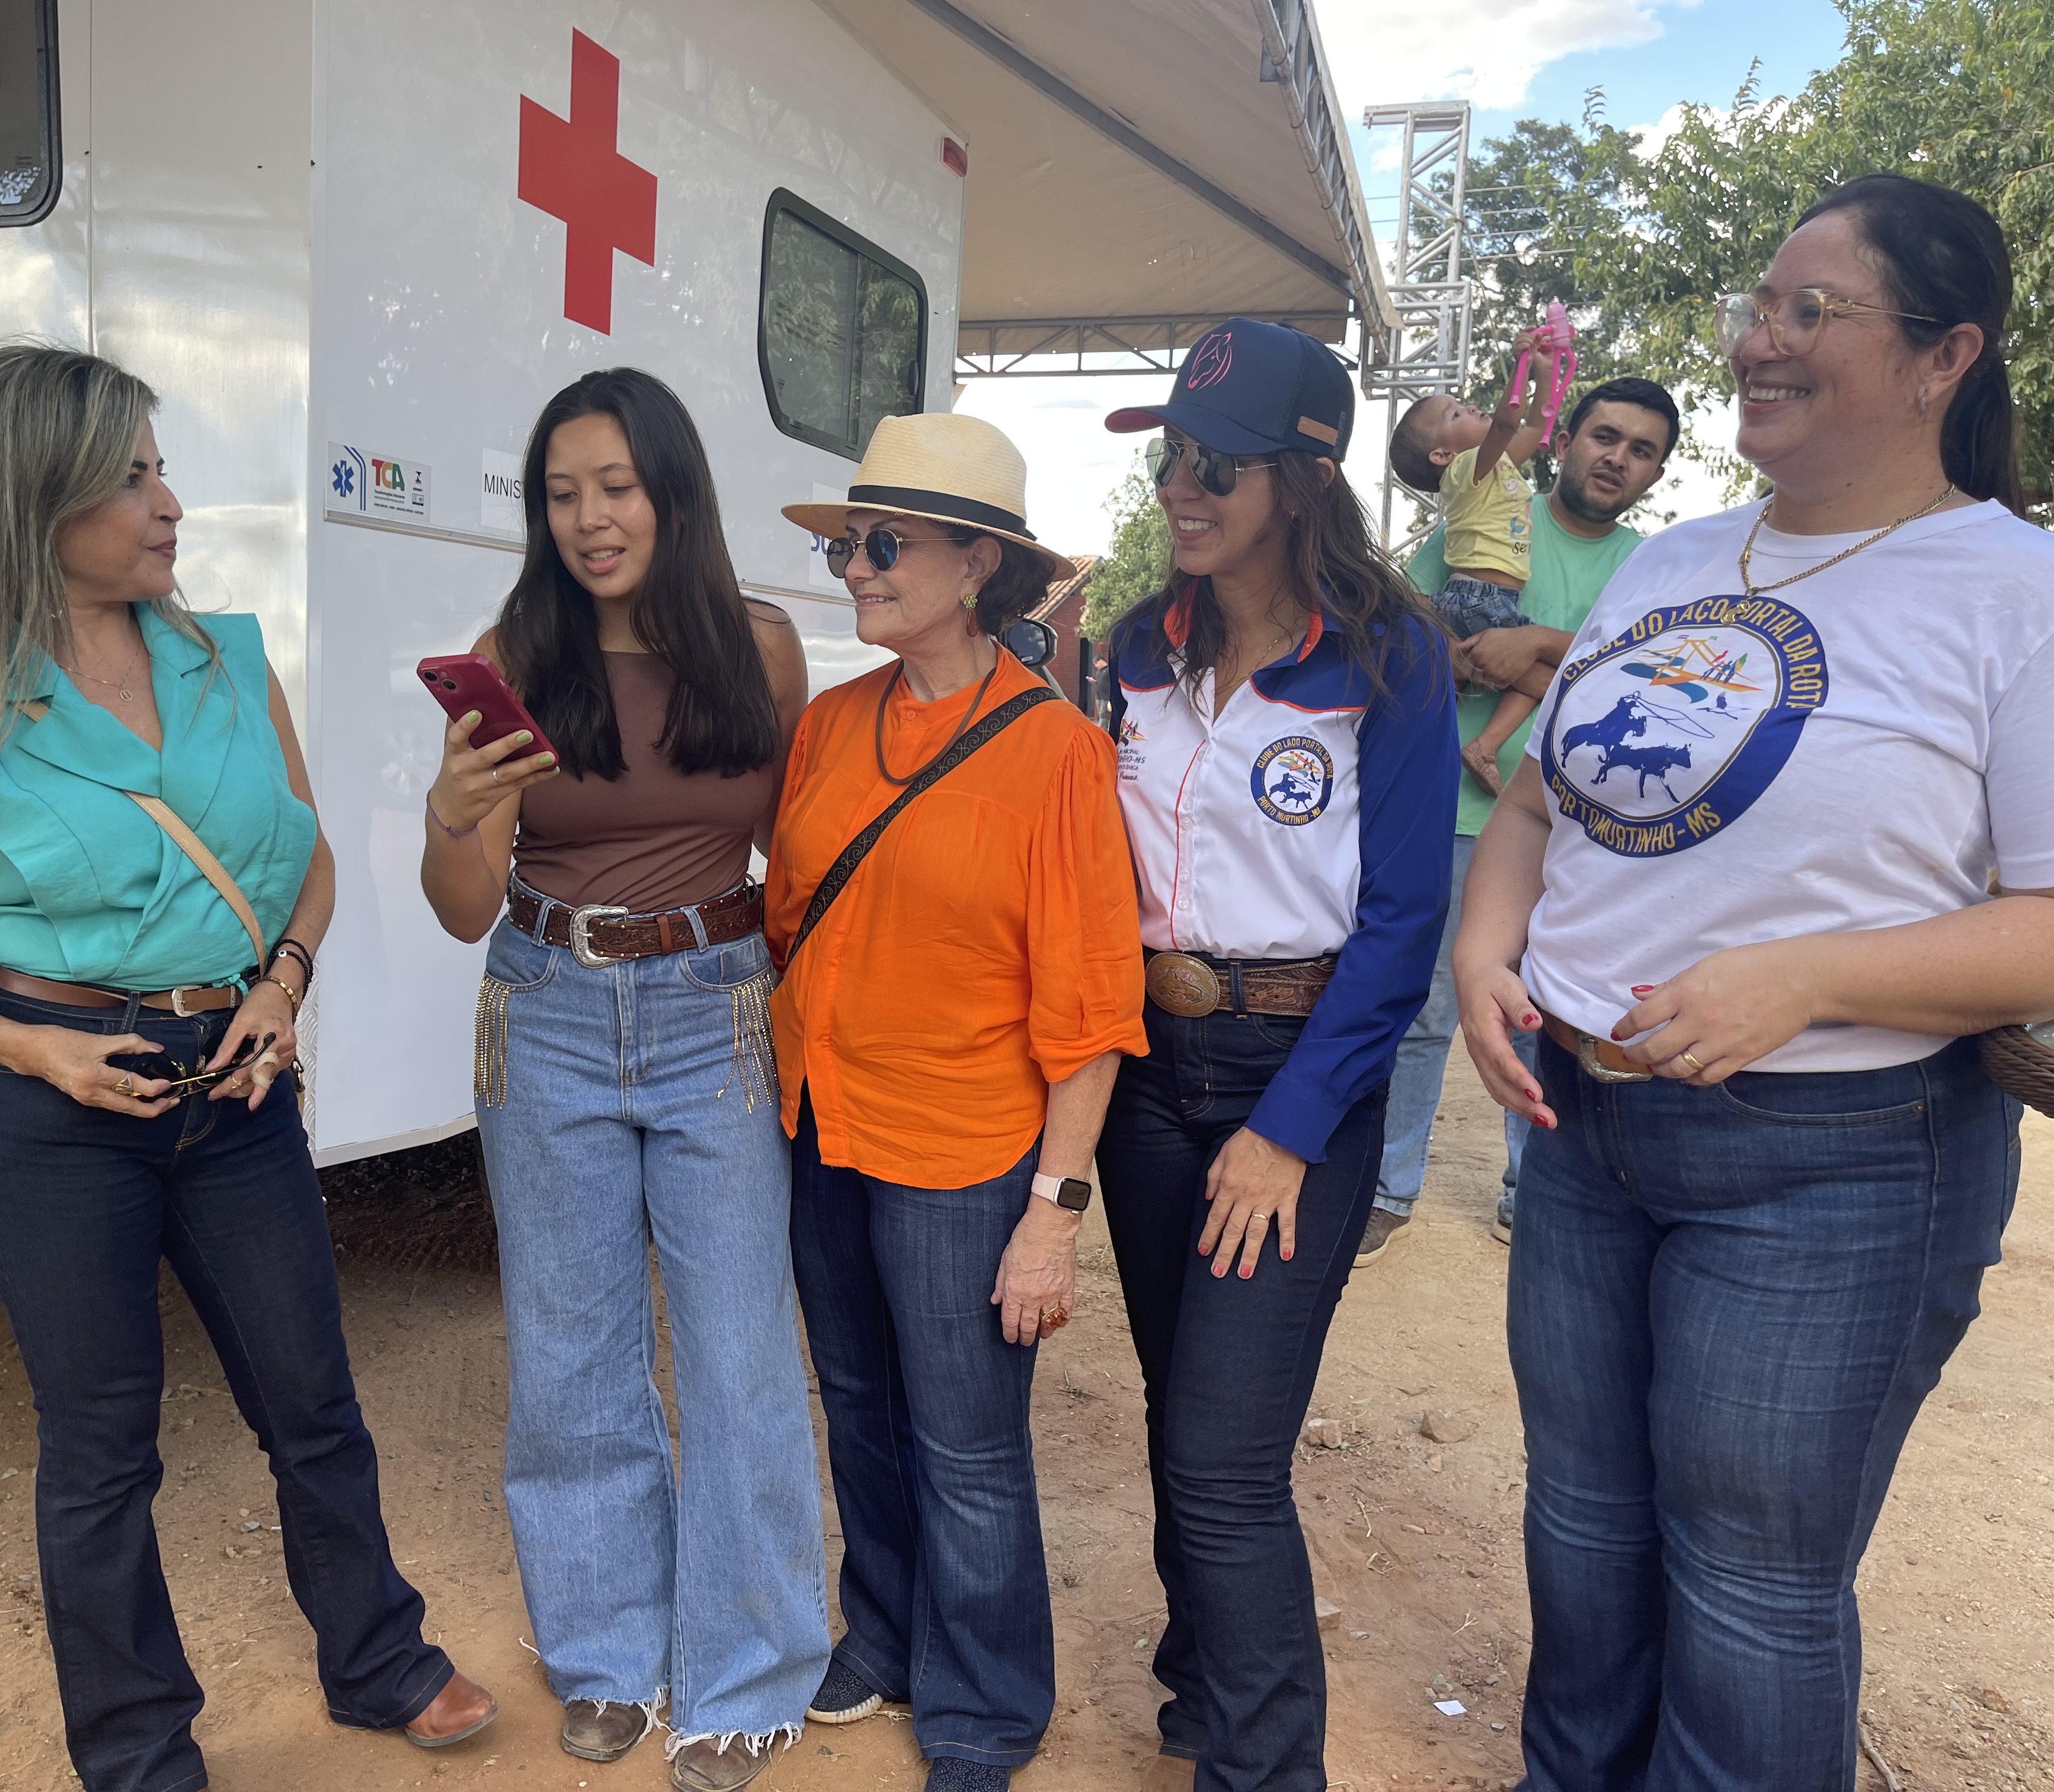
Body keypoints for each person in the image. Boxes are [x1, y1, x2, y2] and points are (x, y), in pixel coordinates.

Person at [0, 345, 494, 1792]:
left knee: (313, 1401)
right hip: (48, 1112)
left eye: (158, 465)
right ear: (28, 499)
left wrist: (287, 985)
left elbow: (301, 859)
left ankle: (379, 1661)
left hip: (233, 1080)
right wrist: (27, 1045)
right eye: (130, 475)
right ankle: (135, 1750)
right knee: (103, 1449)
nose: (167, 501)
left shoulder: (224, 656)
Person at [1454, 173, 2054, 1788]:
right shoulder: (1676, 562)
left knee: (1750, 1589)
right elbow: (1535, 795)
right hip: (1578, 1127)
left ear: (1946, 356)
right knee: (1581, 1527)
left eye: (1810, 312)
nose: (1759, 345)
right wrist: (1482, 944)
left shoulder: (2018, 589)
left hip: (1835, 1166)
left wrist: (1804, 979)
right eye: (1755, 311)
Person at [416, 367, 819, 1792]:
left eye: (615, 488)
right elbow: (460, 902)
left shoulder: (761, 649)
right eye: (561, 493)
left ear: (671, 492)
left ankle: (751, 1668)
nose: (589, 520)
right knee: (572, 1347)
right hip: (549, 1004)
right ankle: (603, 1657)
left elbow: (796, 850)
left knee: (736, 1350)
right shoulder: (511, 649)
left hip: (716, 1005)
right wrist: (452, 814)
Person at [1094, 318, 1458, 1792]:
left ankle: (1263, 1768)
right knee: (1181, 1418)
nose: (1184, 490)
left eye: (1218, 467)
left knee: (1226, 1461)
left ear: (1303, 480)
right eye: (1176, 458)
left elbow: (1403, 926)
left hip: (1293, 1080)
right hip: (1144, 1082)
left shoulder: (1389, 655)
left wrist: (1293, 1127)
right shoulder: (1132, 649)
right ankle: (1199, 1696)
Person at [769, 412, 1146, 1792]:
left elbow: (1095, 1011)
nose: (856, 569)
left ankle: (985, 1707)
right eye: (850, 546)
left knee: (967, 1444)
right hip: (825, 1128)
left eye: (884, 546)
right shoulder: (826, 725)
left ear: (980, 564)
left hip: (965, 1155)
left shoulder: (1054, 755)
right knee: (857, 1405)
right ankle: (884, 1638)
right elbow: (790, 915)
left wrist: (1052, 1210)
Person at [1358, 377, 1677, 1265]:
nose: (1618, 457)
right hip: (1460, 814)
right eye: (1605, 435)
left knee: (1558, 1014)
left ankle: (1530, 1189)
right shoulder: (1487, 502)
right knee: (1423, 1010)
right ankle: (1388, 1186)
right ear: (1567, 437)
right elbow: (1418, 636)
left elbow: (1654, 683)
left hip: (1592, 831)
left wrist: (1534, 646)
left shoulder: (1655, 566)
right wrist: (1542, 662)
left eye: (1641, 449)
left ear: (1655, 472)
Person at [1388, 329, 1560, 795]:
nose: (1471, 407)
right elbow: (1508, 422)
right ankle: (1483, 746)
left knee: (1541, 680)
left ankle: (1480, 738)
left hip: (1480, 598)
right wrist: (1520, 364)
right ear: (1443, 455)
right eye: (1457, 413)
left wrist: (1544, 373)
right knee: (1551, 684)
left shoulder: (1492, 469)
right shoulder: (1466, 470)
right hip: (1483, 600)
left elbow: (1533, 430)